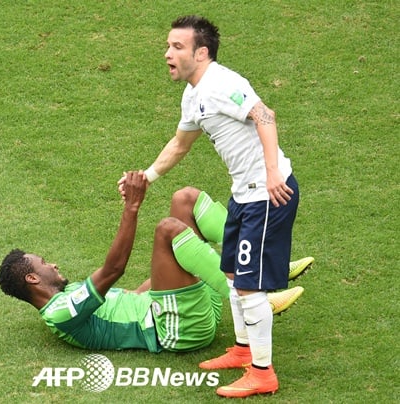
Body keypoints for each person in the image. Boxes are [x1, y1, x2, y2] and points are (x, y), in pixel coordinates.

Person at [119, 15, 301, 397]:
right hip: (243, 194)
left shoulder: (222, 84)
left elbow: (265, 115)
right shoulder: (193, 95)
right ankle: (243, 350)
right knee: (232, 275)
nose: (168, 54)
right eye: (168, 46)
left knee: (249, 287)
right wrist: (146, 178)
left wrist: (272, 172)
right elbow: (180, 144)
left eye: (177, 47)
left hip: (267, 194)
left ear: (201, 53)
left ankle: (263, 373)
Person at [0, 171, 310, 354]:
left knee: (185, 199)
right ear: (32, 279)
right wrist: (132, 207)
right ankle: (252, 299)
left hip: (182, 307)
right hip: (178, 328)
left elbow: (135, 296)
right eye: (43, 263)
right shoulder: (60, 314)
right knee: (167, 230)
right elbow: (113, 269)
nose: (52, 264)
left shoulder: (71, 293)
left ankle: (261, 266)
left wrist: (174, 265)